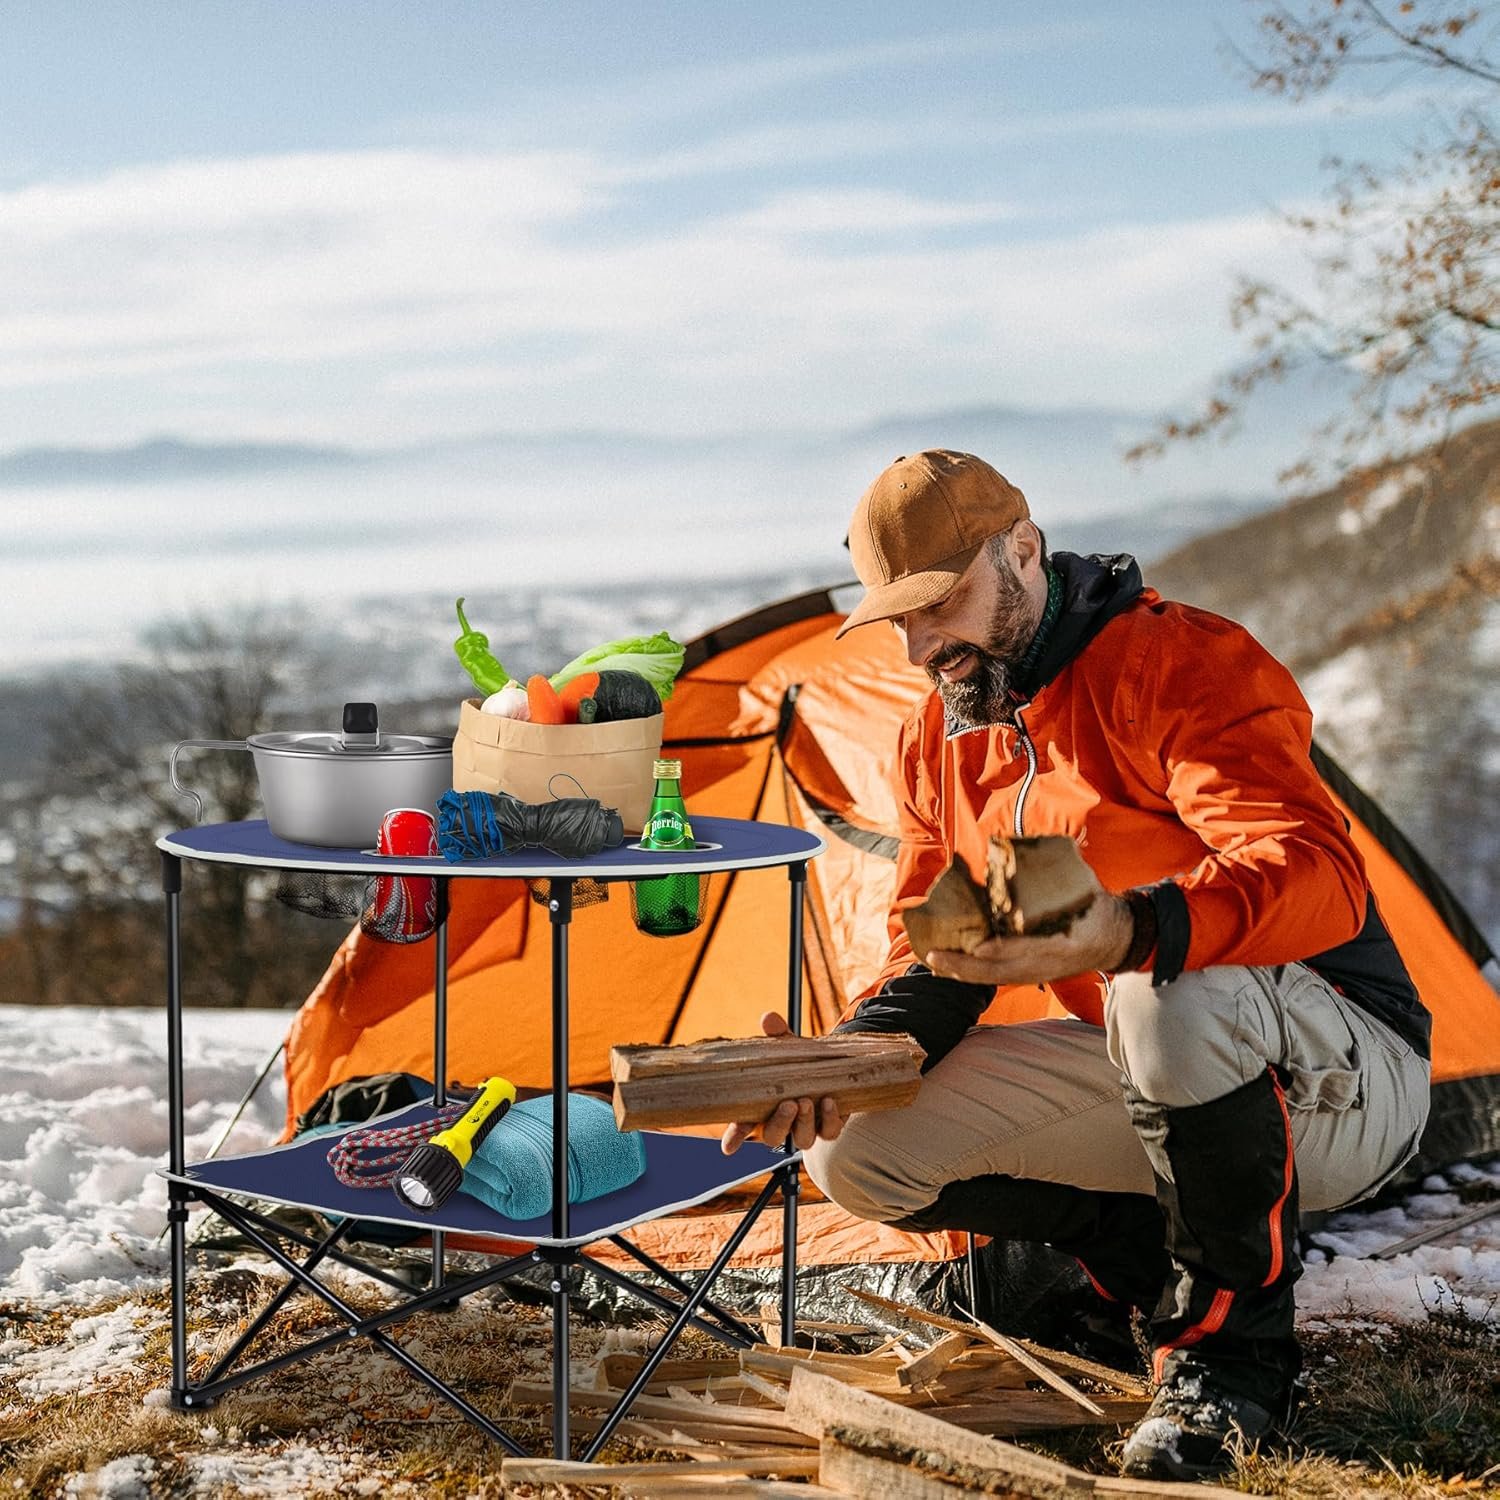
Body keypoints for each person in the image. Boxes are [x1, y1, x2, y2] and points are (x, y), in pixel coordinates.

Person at [722, 450, 1432, 1481]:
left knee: (1164, 987)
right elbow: (939, 953)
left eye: (943, 604)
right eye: (900, 621)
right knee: (856, 1152)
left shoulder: (1181, 665)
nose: (924, 646)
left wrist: (1131, 932)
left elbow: (1318, 877)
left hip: (1348, 1079)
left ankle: (1229, 1367)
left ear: (1023, 551)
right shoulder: (939, 739)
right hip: (1159, 1062)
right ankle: (1143, 1274)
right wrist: (846, 1061)